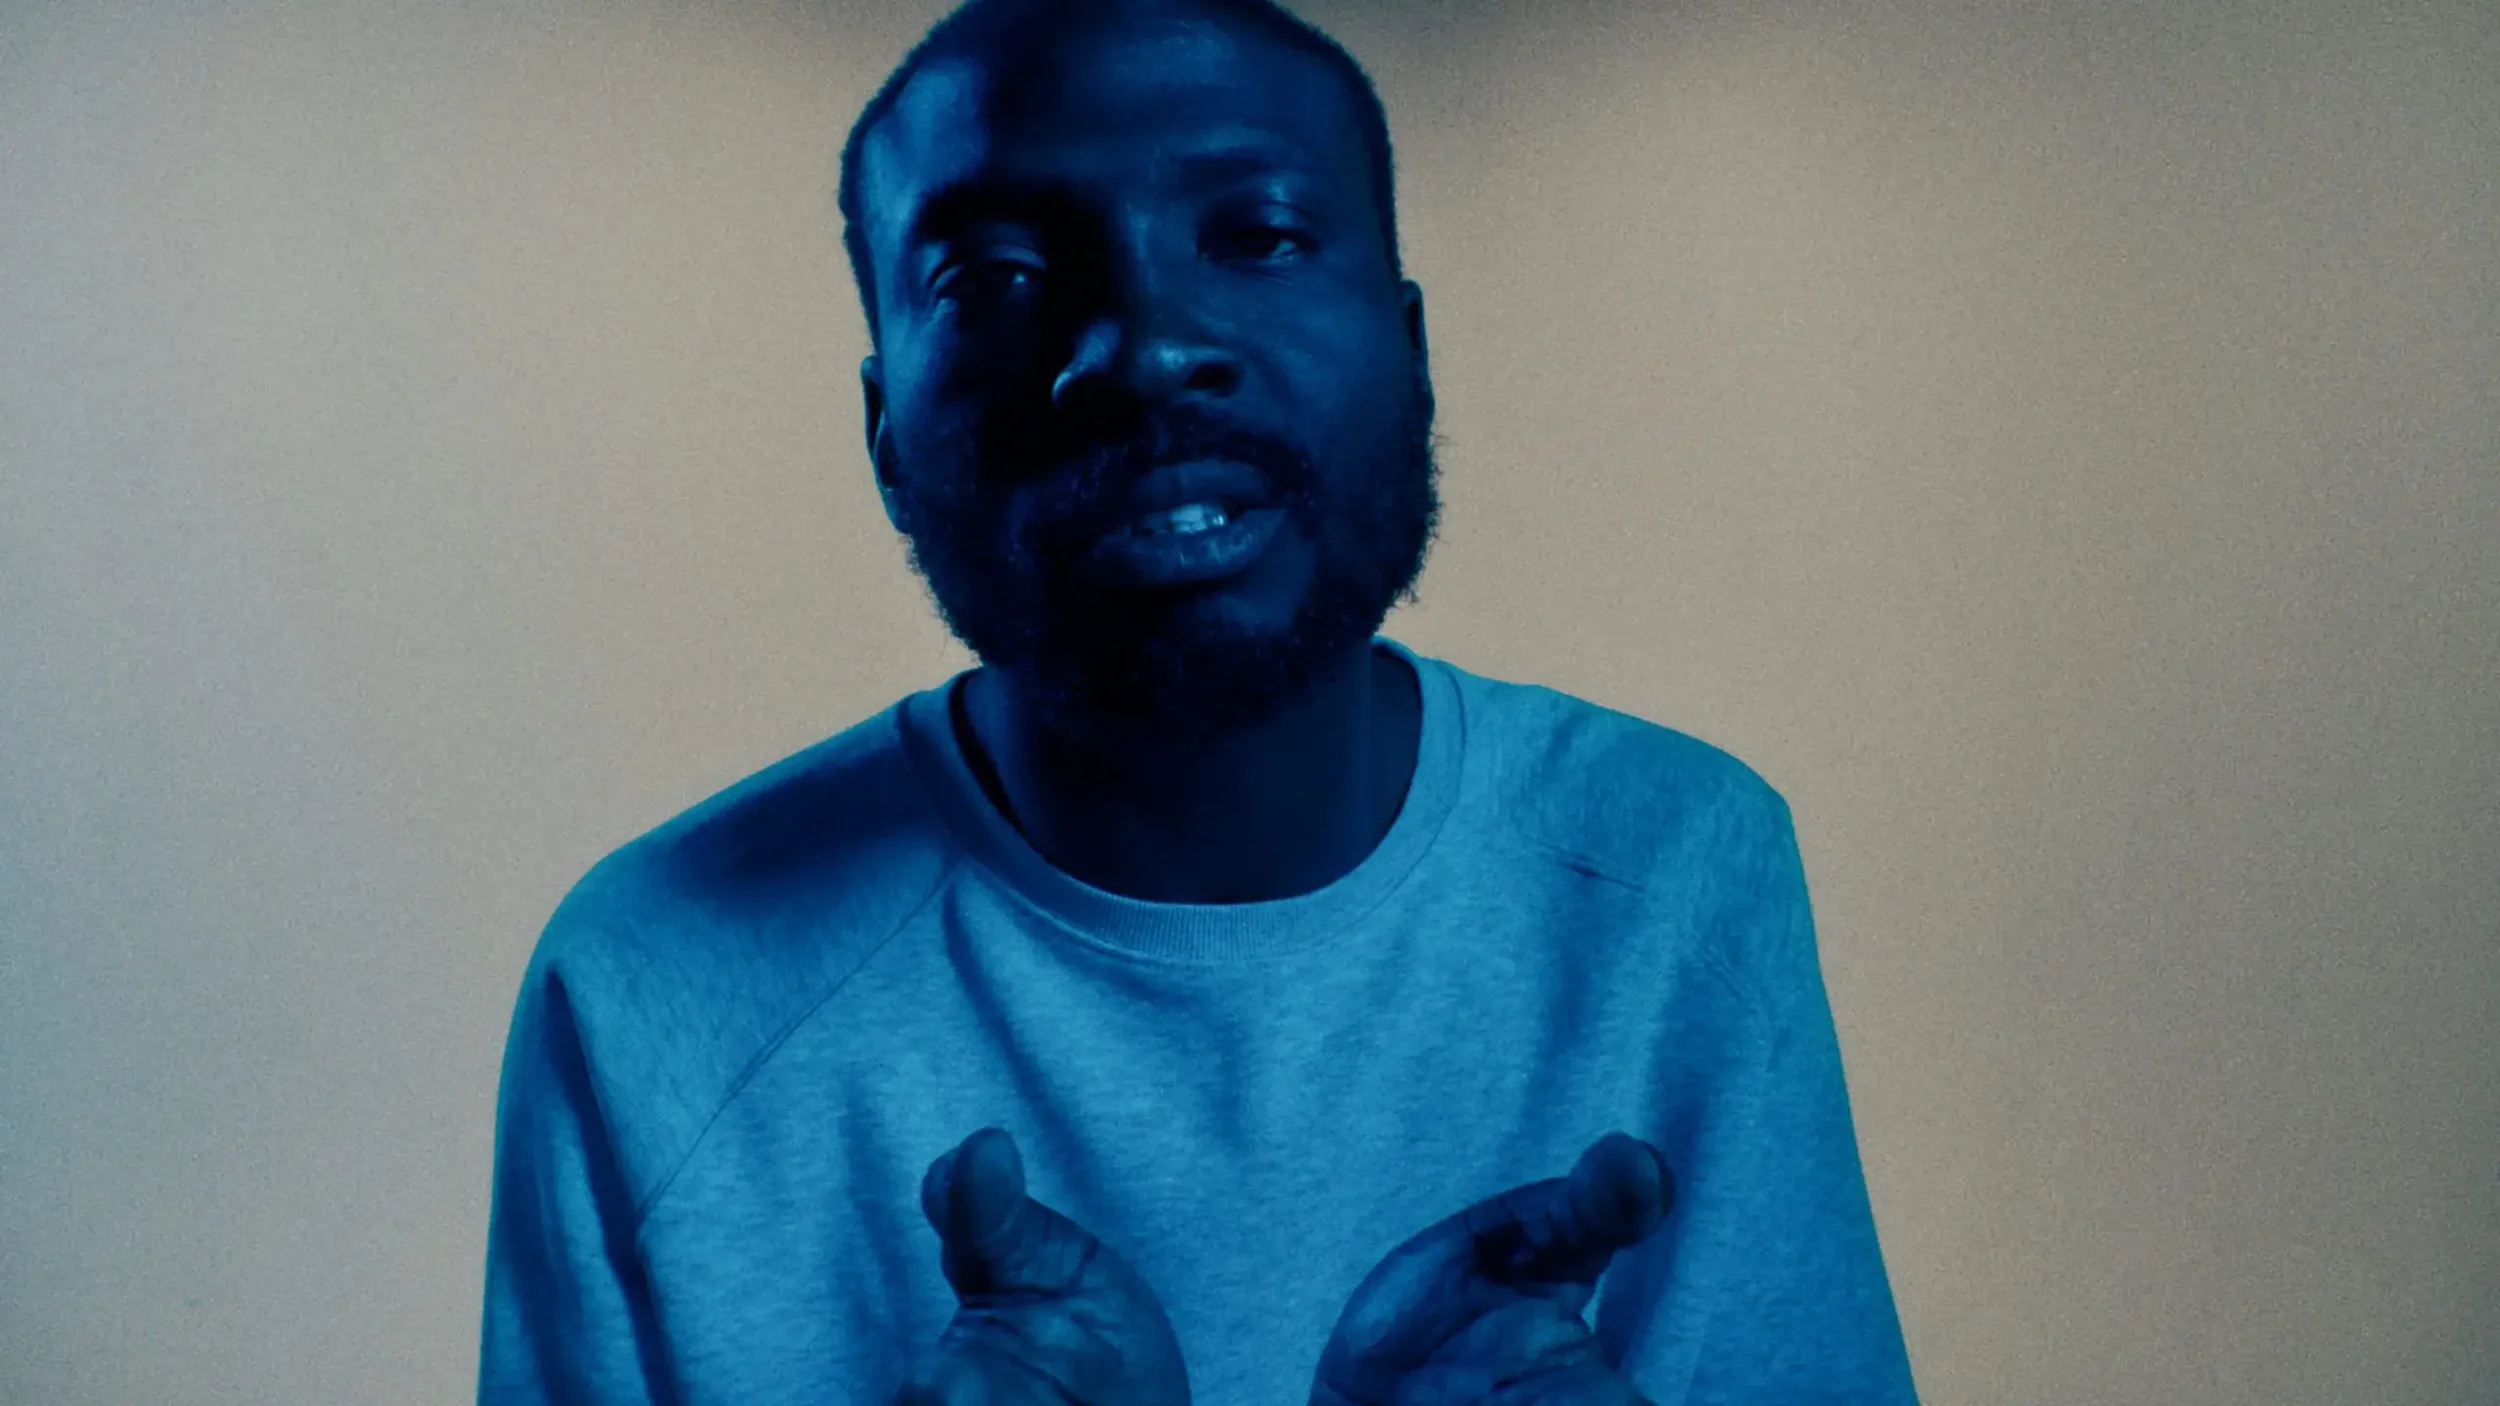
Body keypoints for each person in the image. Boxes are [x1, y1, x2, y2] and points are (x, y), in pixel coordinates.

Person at [476, 1, 1919, 1403]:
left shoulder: (1674, 867)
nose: (1150, 346)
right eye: (993, 279)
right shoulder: (653, 978)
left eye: (1261, 233)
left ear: (1411, 351)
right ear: (885, 441)